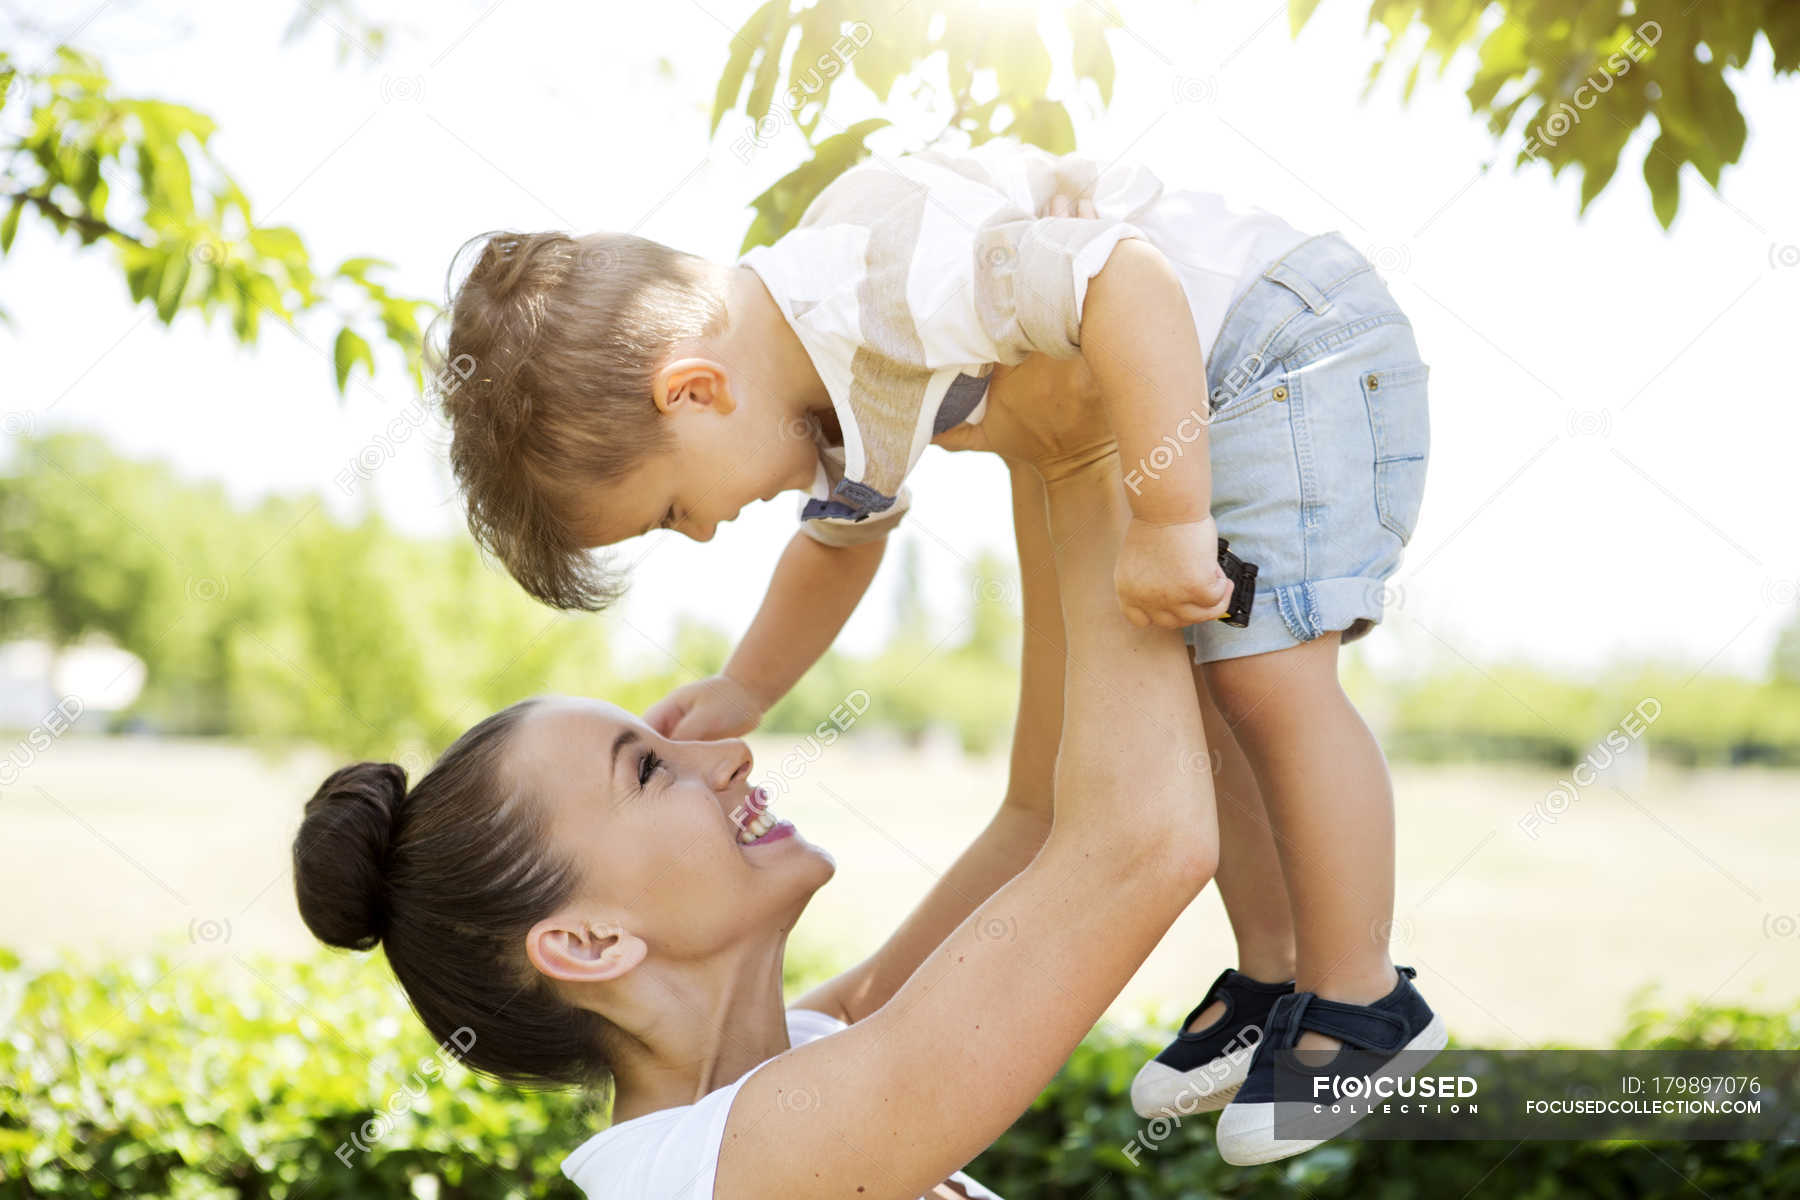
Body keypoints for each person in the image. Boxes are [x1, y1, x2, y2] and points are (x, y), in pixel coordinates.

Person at [429, 138, 1442, 1163]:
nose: (700, 532)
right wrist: (748, 682)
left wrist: (1154, 509)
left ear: (693, 390)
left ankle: (1360, 992)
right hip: (1208, 386)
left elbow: (1129, 280)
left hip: (1272, 345)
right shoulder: (727, 1154)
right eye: (646, 767)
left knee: (1265, 684)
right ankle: (1282, 975)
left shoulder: (874, 290)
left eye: (671, 509)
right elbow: (842, 553)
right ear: (586, 943)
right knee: (1223, 691)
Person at [292, 368, 1220, 1199]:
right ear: (586, 941)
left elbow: (1042, 817)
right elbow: (1140, 846)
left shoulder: (802, 1055)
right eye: (651, 768)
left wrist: (1033, 439)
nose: (730, 755)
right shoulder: (711, 1179)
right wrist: (1090, 456)